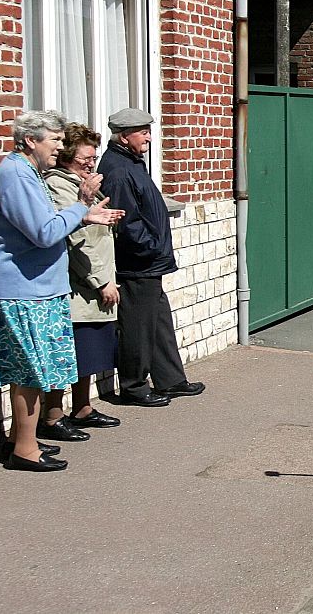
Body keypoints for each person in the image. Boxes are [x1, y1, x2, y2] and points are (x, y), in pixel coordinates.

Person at [0, 110, 124, 471]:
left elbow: (43, 225)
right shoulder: (15, 175)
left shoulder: (27, 173)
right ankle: (24, 450)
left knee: (30, 370)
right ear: (31, 140)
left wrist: (84, 214)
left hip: (34, 288)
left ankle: (19, 439)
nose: (61, 147)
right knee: (28, 371)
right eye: (55, 140)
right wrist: (81, 204)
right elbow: (43, 232)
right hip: (20, 290)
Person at [98, 108, 205, 407]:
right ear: (123, 135)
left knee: (157, 322)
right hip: (137, 263)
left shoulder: (131, 163)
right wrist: (152, 248)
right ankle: (133, 387)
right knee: (137, 326)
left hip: (148, 260)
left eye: (148, 129)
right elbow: (126, 221)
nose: (148, 135)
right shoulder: (119, 169)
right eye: (142, 131)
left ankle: (170, 380)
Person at [40, 122, 121, 439]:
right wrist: (101, 281)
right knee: (68, 351)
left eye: (93, 156)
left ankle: (83, 407)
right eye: (86, 157)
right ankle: (53, 415)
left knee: (87, 351)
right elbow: (76, 239)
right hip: (80, 282)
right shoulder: (61, 186)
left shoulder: (82, 181)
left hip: (93, 278)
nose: (91, 162)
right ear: (67, 157)